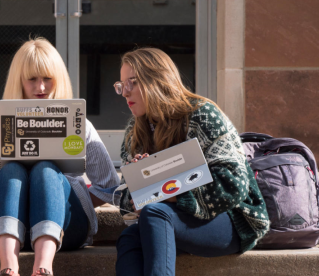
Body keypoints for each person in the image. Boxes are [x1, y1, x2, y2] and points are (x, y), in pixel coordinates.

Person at [0, 38, 120, 276]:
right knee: (13, 170)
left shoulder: (78, 123)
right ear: (19, 81)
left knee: (47, 170)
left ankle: (43, 267)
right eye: (32, 79)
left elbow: (109, 187)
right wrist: (21, 191)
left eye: (48, 78)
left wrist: (58, 195)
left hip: (65, 228)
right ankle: (9, 267)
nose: (41, 87)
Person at [113, 48, 270, 276]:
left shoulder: (202, 114)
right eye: (121, 85)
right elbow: (125, 202)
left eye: (133, 83)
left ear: (157, 81)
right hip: (168, 221)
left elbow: (233, 185)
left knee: (156, 213)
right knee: (130, 236)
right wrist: (139, 188)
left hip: (232, 218)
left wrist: (164, 192)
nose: (125, 93)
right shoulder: (134, 131)